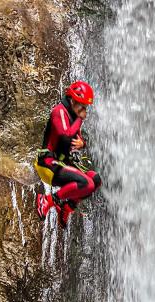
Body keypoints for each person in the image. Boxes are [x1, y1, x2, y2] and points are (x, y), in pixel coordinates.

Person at [34, 80, 102, 227]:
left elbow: (76, 139)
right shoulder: (59, 111)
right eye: (81, 105)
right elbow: (65, 135)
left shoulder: (74, 116)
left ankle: (67, 207)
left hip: (62, 164)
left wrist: (82, 144)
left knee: (95, 180)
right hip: (47, 164)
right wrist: (79, 119)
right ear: (72, 100)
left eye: (86, 106)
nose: (84, 110)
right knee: (86, 183)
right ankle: (47, 200)